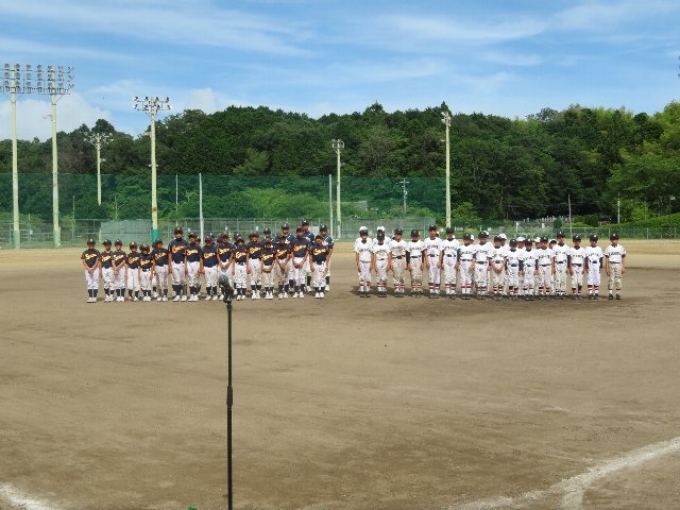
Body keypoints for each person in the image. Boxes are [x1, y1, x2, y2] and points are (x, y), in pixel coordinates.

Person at [168, 227, 188, 302]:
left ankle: (184, 295)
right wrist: (170, 266)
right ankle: (177, 295)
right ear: (174, 234)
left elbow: (186, 255)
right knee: (176, 280)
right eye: (177, 233)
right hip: (174, 263)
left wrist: (186, 266)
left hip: (182, 263)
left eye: (180, 233)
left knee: (183, 280)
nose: (178, 235)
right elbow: (170, 254)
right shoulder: (171, 243)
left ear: (182, 234)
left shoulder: (185, 243)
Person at [605, 233, 626, 301]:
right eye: (613, 239)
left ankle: (618, 294)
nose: (614, 240)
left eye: (615, 239)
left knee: (618, 279)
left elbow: (623, 257)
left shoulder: (621, 247)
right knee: (610, 279)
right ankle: (610, 294)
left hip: (618, 264)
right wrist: (607, 268)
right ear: (611, 240)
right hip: (611, 264)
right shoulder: (608, 248)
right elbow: (607, 258)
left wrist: (623, 267)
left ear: (617, 240)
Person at [290, 226, 311, 298]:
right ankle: (296, 291)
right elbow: (292, 252)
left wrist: (303, 261)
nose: (300, 233)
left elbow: (307, 252)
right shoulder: (293, 241)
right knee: (296, 276)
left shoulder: (306, 241)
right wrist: (293, 261)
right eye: (298, 231)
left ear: (303, 232)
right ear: (297, 232)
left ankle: (301, 291)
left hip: (303, 259)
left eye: (301, 231)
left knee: (302, 276)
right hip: (295, 258)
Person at [472, 231, 494, 300]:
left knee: (484, 279)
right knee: (477, 279)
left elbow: (490, 256)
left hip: (485, 264)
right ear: (479, 238)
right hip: (477, 264)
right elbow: (474, 256)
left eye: (484, 237)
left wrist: (489, 265)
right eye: (481, 237)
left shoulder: (488, 246)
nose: (482, 239)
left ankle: (483, 294)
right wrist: (473, 264)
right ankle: (479, 293)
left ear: (486, 238)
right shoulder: (476, 246)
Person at [440, 227, 460, 299]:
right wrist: (441, 262)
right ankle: (448, 292)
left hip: (454, 259)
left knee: (453, 275)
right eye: (448, 233)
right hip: (446, 259)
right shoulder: (443, 242)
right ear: (447, 233)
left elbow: (458, 252)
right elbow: (442, 252)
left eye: (451, 232)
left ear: (453, 233)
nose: (450, 234)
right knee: (447, 276)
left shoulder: (456, 242)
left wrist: (458, 262)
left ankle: (453, 292)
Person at [424, 224, 443, 298]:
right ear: (429, 231)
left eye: (434, 230)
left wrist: (440, 261)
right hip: (429, 258)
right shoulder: (426, 240)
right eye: (431, 230)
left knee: (437, 274)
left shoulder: (439, 240)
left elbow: (441, 251)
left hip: (436, 258)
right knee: (430, 275)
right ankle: (431, 291)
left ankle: (436, 291)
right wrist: (427, 261)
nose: (432, 232)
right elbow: (425, 251)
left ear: (436, 231)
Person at [388, 228, 408, 297]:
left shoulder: (404, 242)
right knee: (396, 274)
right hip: (394, 259)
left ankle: (401, 288)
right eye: (397, 234)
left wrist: (407, 262)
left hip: (403, 259)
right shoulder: (391, 242)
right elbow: (390, 253)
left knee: (402, 274)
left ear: (401, 235)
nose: (398, 235)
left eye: (399, 234)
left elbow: (407, 253)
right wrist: (390, 263)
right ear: (395, 234)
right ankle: (397, 289)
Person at [354, 226, 373, 297]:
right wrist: (358, 264)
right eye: (362, 235)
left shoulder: (370, 242)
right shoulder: (358, 243)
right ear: (360, 235)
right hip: (361, 261)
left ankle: (367, 290)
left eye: (365, 234)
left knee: (368, 276)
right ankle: (362, 290)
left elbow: (372, 253)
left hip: (368, 261)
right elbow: (357, 254)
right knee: (361, 276)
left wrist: (372, 264)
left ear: (367, 235)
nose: (364, 236)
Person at [310, 234, 330, 298]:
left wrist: (327, 265)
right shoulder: (313, 247)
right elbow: (311, 257)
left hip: (322, 263)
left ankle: (321, 291)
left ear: (322, 240)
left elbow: (327, 256)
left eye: (320, 238)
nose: (318, 239)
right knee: (315, 278)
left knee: (322, 278)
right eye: (317, 238)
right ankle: (317, 291)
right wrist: (311, 265)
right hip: (315, 263)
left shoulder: (325, 247)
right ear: (316, 239)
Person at [372, 230, 391, 297]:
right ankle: (380, 290)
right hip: (378, 261)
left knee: (385, 276)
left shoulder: (386, 246)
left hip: (385, 261)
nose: (380, 239)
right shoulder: (375, 246)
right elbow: (374, 256)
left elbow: (389, 255)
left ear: (383, 238)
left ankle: (384, 289)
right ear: (377, 239)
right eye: (379, 238)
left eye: (381, 238)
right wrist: (375, 265)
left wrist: (389, 264)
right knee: (379, 276)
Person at [584, 234, 604, 300]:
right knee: (590, 278)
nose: (594, 242)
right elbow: (586, 258)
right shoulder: (587, 248)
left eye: (595, 240)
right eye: (593, 240)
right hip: (590, 264)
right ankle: (590, 293)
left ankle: (596, 293)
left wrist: (601, 267)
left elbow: (601, 258)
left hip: (597, 265)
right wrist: (586, 266)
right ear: (590, 241)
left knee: (597, 278)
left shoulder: (599, 249)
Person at [406, 229, 425, 297]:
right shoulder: (409, 243)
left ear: (418, 236)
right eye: (413, 236)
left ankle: (419, 288)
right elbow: (407, 254)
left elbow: (423, 253)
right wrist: (408, 263)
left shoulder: (421, 243)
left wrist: (423, 262)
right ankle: (414, 289)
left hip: (419, 259)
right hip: (412, 259)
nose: (415, 237)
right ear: (411, 236)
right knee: (413, 274)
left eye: (416, 235)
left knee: (419, 274)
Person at [81, 238, 101, 303]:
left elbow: (97, 260)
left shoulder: (97, 252)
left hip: (95, 269)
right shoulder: (85, 252)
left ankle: (94, 297)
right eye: (90, 244)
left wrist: (93, 268)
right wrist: (88, 268)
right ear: (88, 244)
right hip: (87, 270)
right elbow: (84, 261)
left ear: (94, 244)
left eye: (92, 244)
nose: (91, 245)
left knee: (95, 283)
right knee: (89, 283)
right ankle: (90, 297)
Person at [457, 233, 475, 300]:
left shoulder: (473, 247)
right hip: (462, 263)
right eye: (465, 239)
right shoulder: (460, 247)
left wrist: (472, 264)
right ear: (463, 239)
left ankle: (467, 293)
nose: (466, 240)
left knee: (468, 279)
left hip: (469, 263)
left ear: (470, 239)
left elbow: (474, 257)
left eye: (468, 239)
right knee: (463, 278)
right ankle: (463, 293)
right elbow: (458, 257)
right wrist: (458, 264)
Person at [568, 235, 586, 300]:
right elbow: (569, 259)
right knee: (574, 281)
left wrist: (584, 268)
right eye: (575, 241)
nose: (577, 242)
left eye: (578, 240)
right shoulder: (571, 250)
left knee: (580, 281)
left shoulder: (582, 250)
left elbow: (584, 259)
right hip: (574, 266)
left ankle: (579, 294)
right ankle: (574, 294)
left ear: (580, 241)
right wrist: (570, 268)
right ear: (573, 241)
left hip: (580, 266)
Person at [552, 232, 570, 300]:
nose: (561, 238)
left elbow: (568, 258)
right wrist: (553, 267)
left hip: (564, 264)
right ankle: (558, 293)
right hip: (557, 264)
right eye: (559, 237)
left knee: (563, 279)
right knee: (557, 279)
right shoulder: (555, 247)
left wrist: (568, 267)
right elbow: (553, 258)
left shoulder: (567, 247)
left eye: (562, 237)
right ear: (557, 238)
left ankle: (562, 293)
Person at [246, 231, 263, 299]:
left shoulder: (260, 244)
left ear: (257, 237)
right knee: (252, 277)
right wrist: (247, 266)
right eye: (252, 236)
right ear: (250, 238)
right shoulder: (248, 245)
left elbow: (262, 255)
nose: (254, 238)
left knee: (258, 277)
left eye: (255, 236)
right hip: (251, 260)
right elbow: (247, 255)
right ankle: (253, 292)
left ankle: (258, 292)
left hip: (258, 260)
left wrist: (262, 264)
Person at [217, 233, 234, 299]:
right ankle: (222, 293)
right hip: (221, 262)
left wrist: (228, 263)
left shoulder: (230, 245)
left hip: (228, 262)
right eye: (223, 237)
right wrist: (220, 263)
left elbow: (232, 255)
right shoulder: (218, 246)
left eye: (226, 237)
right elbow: (217, 255)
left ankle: (229, 293)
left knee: (229, 278)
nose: (225, 239)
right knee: (221, 279)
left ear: (228, 238)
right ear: (221, 238)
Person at [202, 236, 219, 300]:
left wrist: (218, 266)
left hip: (213, 266)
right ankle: (208, 294)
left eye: (209, 241)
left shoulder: (215, 248)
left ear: (211, 241)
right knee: (208, 282)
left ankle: (215, 295)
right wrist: (201, 267)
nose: (208, 242)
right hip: (206, 267)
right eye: (206, 241)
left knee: (214, 282)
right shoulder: (203, 248)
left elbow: (218, 257)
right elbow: (201, 258)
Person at [274, 233, 291, 299]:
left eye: (283, 238)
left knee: (286, 276)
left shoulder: (287, 245)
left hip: (286, 261)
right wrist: (280, 264)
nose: (282, 240)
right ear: (278, 239)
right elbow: (276, 256)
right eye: (281, 238)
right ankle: (280, 292)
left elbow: (288, 255)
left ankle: (286, 292)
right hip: (279, 261)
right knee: (280, 277)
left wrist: (285, 263)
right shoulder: (276, 246)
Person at [489, 235, 506, 301]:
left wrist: (502, 267)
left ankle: (500, 294)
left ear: (500, 242)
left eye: (499, 241)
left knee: (501, 281)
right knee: (495, 281)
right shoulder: (491, 249)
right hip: (494, 264)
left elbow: (505, 259)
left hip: (501, 264)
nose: (498, 242)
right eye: (496, 241)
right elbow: (490, 259)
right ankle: (495, 293)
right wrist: (494, 267)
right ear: (494, 242)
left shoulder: (503, 249)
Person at [232, 236, 249, 300]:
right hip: (237, 265)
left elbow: (247, 259)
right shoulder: (235, 250)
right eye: (239, 242)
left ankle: (243, 294)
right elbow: (234, 260)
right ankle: (239, 294)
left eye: (241, 242)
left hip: (244, 265)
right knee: (238, 280)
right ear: (237, 243)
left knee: (244, 280)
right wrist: (233, 268)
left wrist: (248, 267)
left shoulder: (245, 250)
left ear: (243, 243)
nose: (240, 243)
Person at [319, 224, 334, 291]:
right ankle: (321, 284)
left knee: (327, 270)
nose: (323, 232)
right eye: (322, 230)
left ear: (326, 231)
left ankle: (327, 285)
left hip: (327, 257)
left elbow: (331, 249)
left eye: (324, 230)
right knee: (320, 271)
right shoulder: (318, 238)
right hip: (319, 257)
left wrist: (328, 257)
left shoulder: (329, 238)